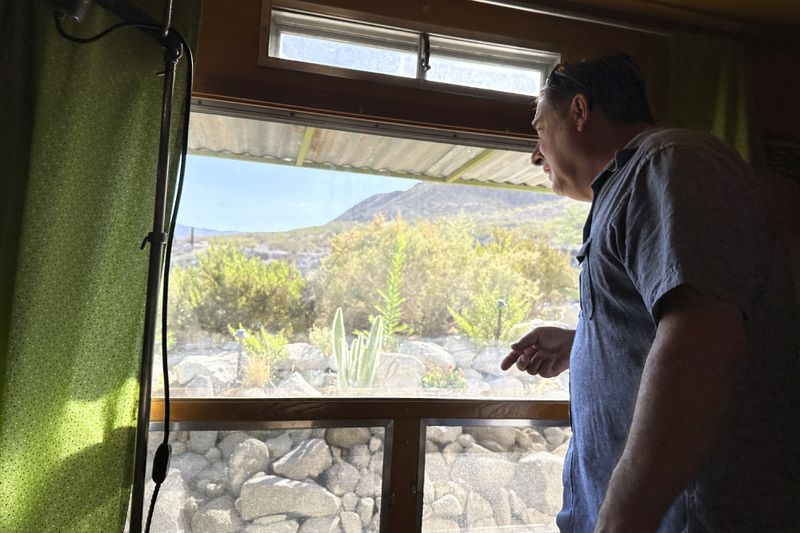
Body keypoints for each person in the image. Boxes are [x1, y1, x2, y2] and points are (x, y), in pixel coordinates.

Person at [500, 53, 800, 532]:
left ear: (579, 111)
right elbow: (672, 322)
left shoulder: (668, 163)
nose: (536, 154)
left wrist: (621, 521)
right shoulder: (629, 185)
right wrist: (584, 345)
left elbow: (701, 344)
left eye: (539, 128)